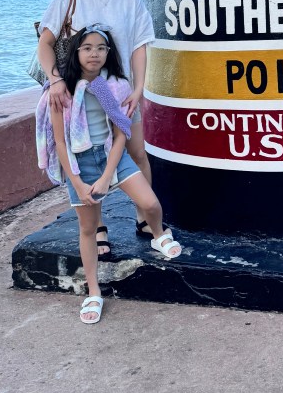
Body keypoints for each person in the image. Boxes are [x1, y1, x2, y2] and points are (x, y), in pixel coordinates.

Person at [36, 25, 182, 323]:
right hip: (80, 163)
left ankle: (158, 234)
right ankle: (93, 292)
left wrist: (106, 177)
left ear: (109, 53)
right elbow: (60, 142)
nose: (95, 54)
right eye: (88, 48)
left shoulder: (112, 86)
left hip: (111, 155)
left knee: (151, 204)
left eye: (101, 48)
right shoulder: (61, 92)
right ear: (76, 52)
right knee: (88, 229)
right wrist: (78, 182)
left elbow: (120, 134)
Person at [37, 0, 159, 256]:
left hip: (119, 93)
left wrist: (138, 88)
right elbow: (45, 44)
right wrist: (55, 80)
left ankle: (144, 217)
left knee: (138, 152)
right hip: (78, 99)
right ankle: (98, 225)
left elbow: (139, 47)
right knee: (87, 159)